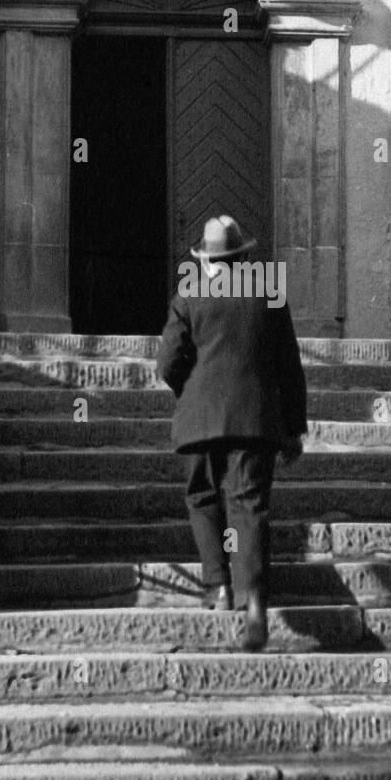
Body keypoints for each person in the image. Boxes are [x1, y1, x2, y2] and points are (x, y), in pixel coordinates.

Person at [157, 215, 307, 652]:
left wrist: (194, 390)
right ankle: (254, 596)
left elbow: (168, 362)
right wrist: (293, 427)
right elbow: (289, 366)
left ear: (205, 258)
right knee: (249, 504)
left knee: (203, 498)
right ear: (244, 256)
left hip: (198, 418)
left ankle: (217, 586)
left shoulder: (189, 293)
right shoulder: (269, 291)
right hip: (256, 418)